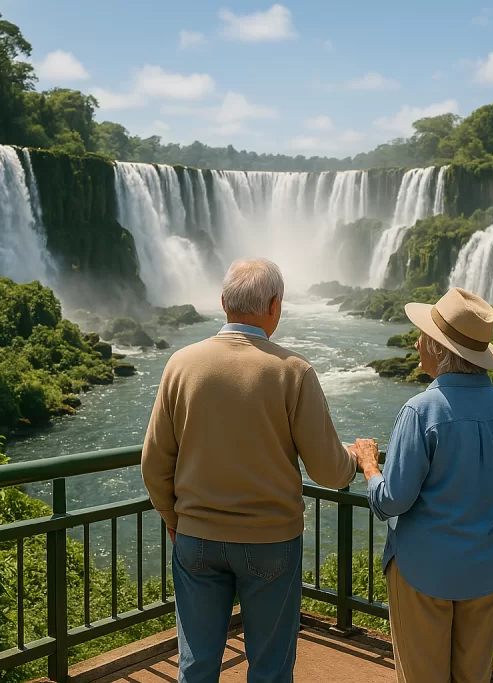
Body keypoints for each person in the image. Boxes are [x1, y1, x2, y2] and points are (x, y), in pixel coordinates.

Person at [142, 258, 360, 683]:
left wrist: (174, 518)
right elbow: (330, 471)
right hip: (270, 542)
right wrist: (356, 459)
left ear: (223, 302)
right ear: (275, 305)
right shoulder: (293, 372)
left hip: (196, 538)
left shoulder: (181, 365)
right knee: (270, 668)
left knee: (197, 665)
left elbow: (154, 462)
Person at [352, 287, 493, 683]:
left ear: (439, 349)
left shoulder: (421, 410)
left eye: (422, 336)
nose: (415, 342)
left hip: (424, 573)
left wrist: (368, 466)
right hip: (488, 569)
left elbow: (392, 500)